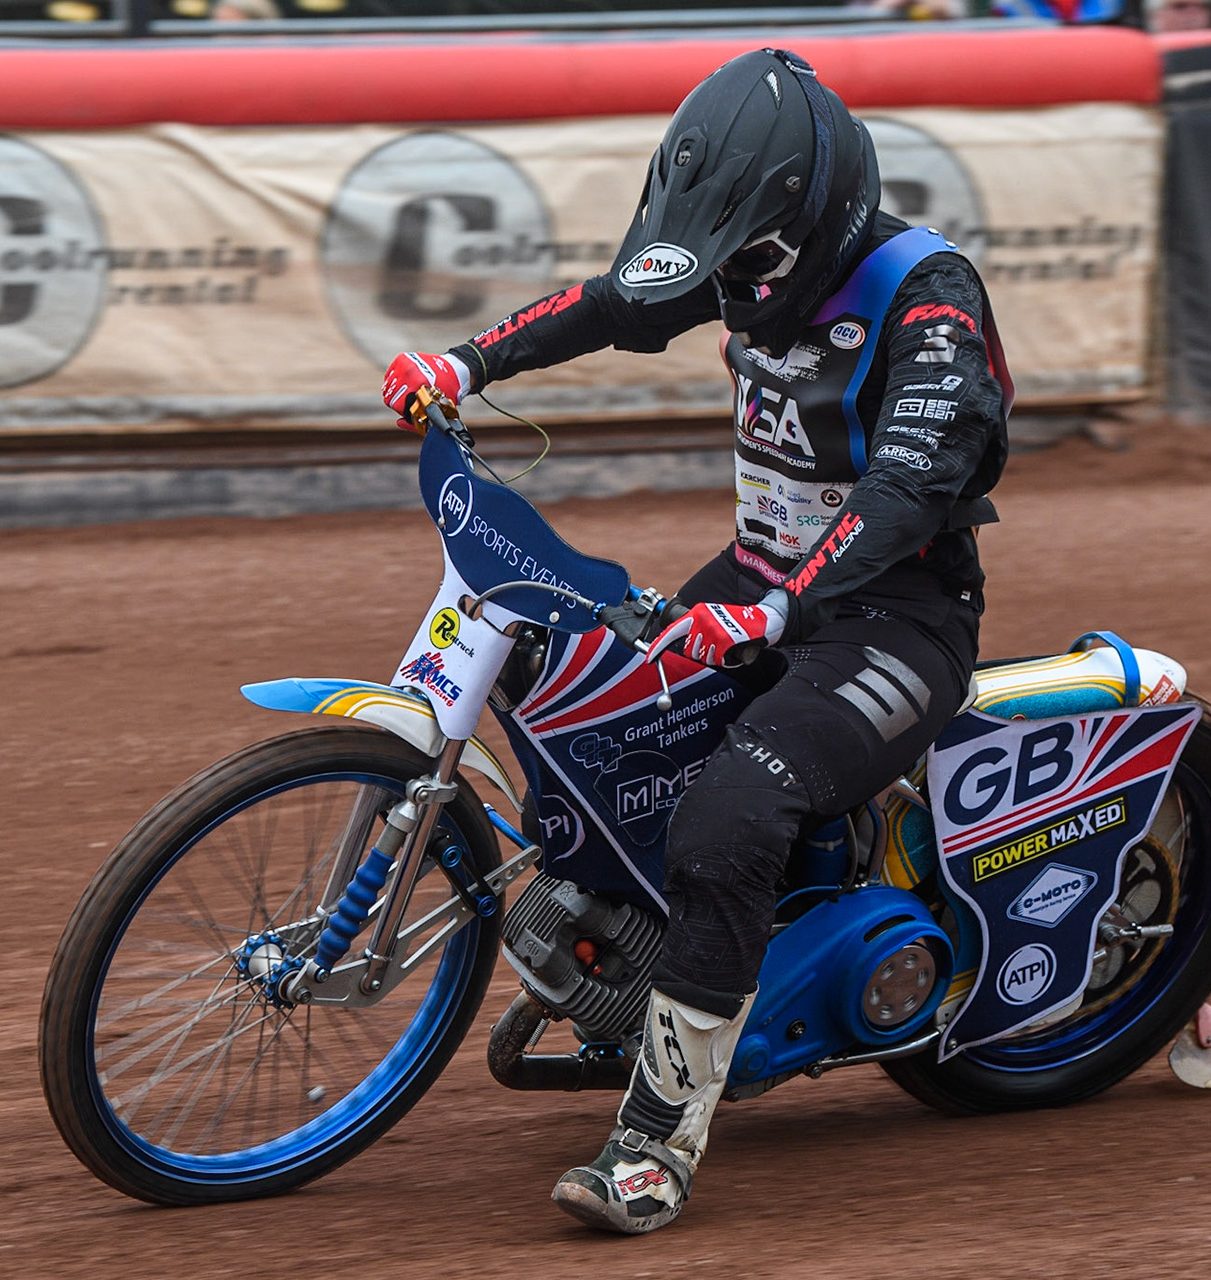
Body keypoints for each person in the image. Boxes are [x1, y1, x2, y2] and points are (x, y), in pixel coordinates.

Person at [381, 48, 1011, 1236]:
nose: (735, 288)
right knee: (596, 708)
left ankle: (657, 1142)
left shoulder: (927, 296)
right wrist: (463, 363)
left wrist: (774, 610)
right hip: (760, 586)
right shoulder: (741, 257)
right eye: (720, 265)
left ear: (811, 215)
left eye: (751, 264)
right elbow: (615, 302)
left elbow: (910, 488)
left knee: (732, 811)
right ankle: (645, 959)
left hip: (896, 620)